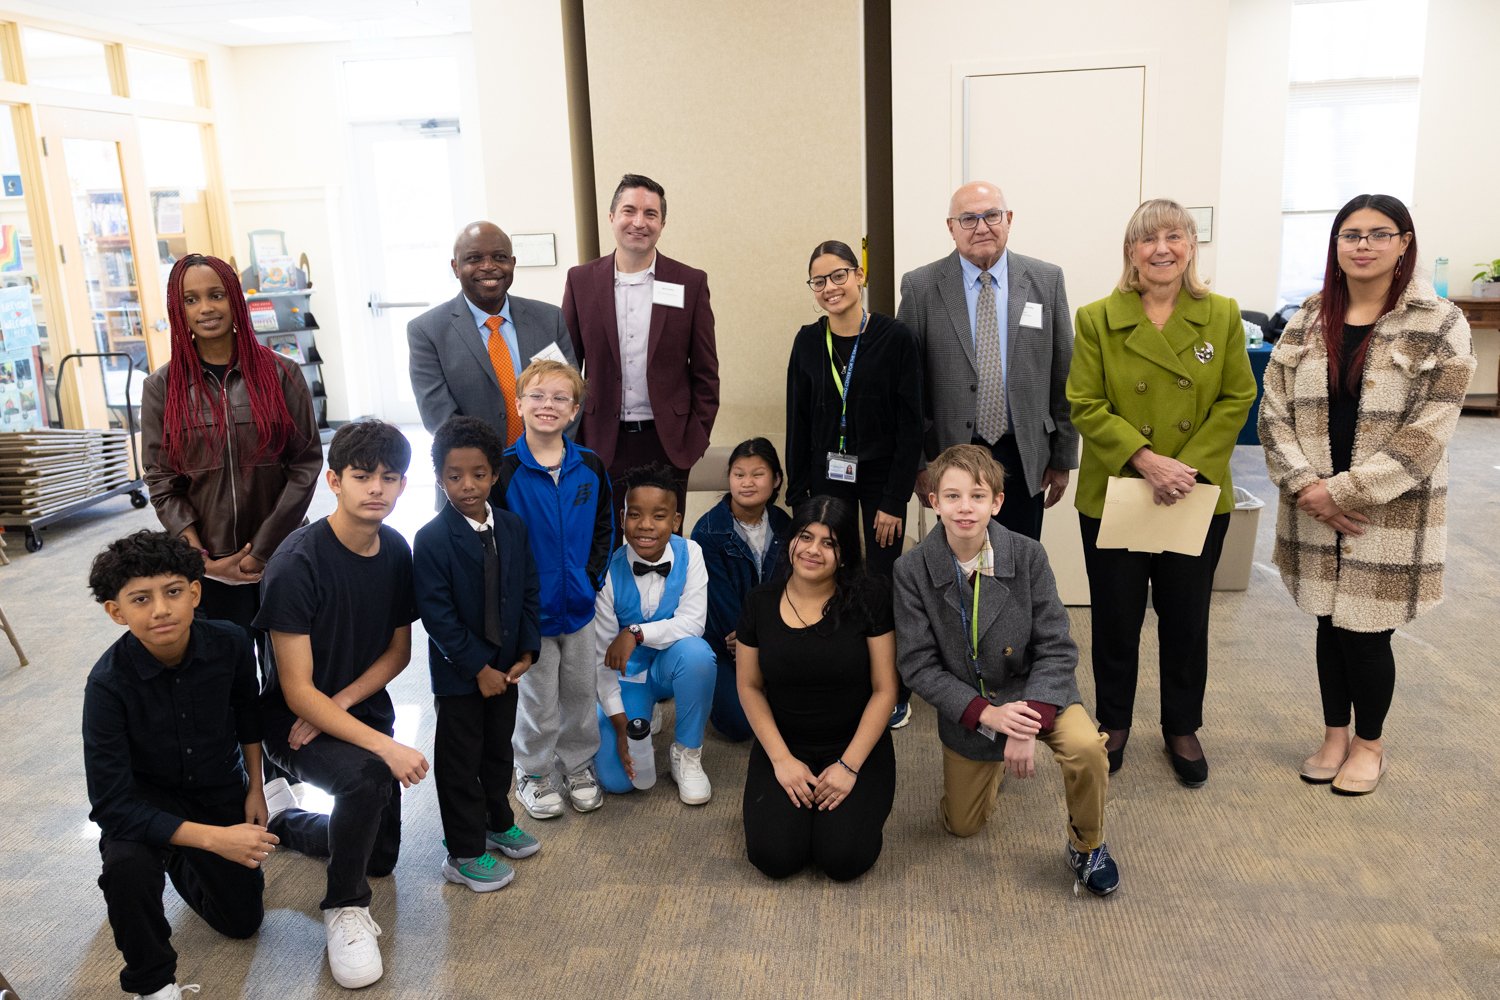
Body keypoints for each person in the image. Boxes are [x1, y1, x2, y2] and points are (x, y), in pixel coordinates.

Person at [1259, 194, 1474, 796]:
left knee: (1367, 630)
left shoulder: (1440, 323)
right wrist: (1308, 486)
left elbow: (1431, 427)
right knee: (1328, 622)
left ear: (1404, 242)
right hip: (1312, 504)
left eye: (1379, 234)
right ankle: (1333, 735)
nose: (1363, 245)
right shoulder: (1306, 317)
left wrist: (1348, 491)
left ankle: (1369, 745)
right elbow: (1273, 410)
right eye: (1350, 234)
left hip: (1390, 510)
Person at [1066, 198, 1256, 788]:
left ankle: (1181, 726)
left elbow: (1236, 398)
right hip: (1120, 490)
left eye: (1175, 236)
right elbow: (1084, 403)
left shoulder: (1221, 314)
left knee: (1185, 617)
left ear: (1192, 247)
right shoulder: (1097, 317)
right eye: (1148, 239)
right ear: (1131, 251)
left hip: (1193, 495)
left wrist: (1186, 468)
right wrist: (1147, 460)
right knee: (1116, 618)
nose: (1162, 249)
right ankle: (1115, 721)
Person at [892, 445, 1119, 896]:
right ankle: (988, 765)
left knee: (1087, 748)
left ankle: (1087, 843)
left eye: (977, 496)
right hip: (973, 704)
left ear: (997, 502)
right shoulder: (911, 569)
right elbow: (917, 665)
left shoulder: (1029, 555)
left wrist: (1025, 723)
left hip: (1036, 689)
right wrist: (989, 716)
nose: (965, 508)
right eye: (952, 496)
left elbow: (1057, 647)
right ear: (933, 501)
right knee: (962, 825)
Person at [252, 420, 427, 990]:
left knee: (381, 856)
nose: (375, 488)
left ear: (403, 485)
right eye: (361, 476)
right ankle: (344, 908)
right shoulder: (295, 563)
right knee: (367, 780)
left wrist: (348, 704)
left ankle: (283, 820)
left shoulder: (397, 549)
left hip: (346, 707)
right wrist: (386, 745)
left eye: (389, 478)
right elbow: (296, 692)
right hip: (290, 721)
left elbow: (399, 651)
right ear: (333, 480)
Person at [84, 530, 278, 1000]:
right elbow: (111, 805)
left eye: (173, 592)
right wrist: (215, 839)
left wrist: (255, 787)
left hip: (216, 785)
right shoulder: (106, 685)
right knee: (127, 866)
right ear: (116, 612)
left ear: (195, 592)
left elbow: (247, 712)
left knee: (242, 922)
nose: (161, 610)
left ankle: (174, 849)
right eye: (140, 599)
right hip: (143, 800)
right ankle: (153, 985)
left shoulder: (231, 642)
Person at [141, 253, 322, 646]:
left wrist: (261, 551)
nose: (206, 308)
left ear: (235, 299)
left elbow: (305, 464)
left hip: (282, 556)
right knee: (228, 677)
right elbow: (161, 479)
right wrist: (201, 561)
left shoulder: (283, 374)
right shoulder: (161, 388)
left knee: (291, 675)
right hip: (208, 569)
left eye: (216, 295)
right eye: (191, 299)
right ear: (178, 308)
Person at [897, 181, 1078, 543]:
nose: (981, 227)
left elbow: (1064, 375)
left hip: (1024, 451)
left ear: (1009, 219)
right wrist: (917, 463)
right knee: (959, 560)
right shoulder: (921, 287)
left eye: (991, 215)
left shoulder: (1046, 280)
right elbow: (906, 388)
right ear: (951, 228)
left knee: (1020, 556)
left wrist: (1062, 456)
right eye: (968, 219)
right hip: (950, 453)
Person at [737, 497, 898, 881]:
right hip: (786, 744)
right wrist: (780, 760)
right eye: (805, 537)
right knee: (775, 858)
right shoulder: (759, 602)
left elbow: (885, 690)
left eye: (829, 543)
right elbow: (749, 686)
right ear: (790, 540)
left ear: (844, 554)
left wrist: (848, 766)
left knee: (843, 860)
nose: (813, 550)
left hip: (853, 744)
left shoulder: (870, 597)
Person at [414, 416, 542, 892]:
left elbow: (529, 590)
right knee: (460, 761)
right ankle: (463, 851)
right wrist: (477, 668)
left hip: (506, 669)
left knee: (497, 750)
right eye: (454, 476)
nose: (468, 486)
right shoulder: (430, 539)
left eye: (479, 474)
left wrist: (527, 649)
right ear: (440, 478)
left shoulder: (512, 528)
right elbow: (437, 616)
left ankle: (497, 821)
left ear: (494, 475)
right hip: (460, 676)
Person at [493, 360, 614, 818]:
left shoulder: (590, 466)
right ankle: (535, 770)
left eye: (560, 398)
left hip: (579, 607)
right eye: (538, 396)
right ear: (519, 404)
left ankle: (579, 765)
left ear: (575, 410)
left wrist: (590, 578)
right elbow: (497, 543)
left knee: (582, 693)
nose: (548, 405)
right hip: (531, 615)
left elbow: (605, 527)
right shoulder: (504, 471)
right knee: (538, 699)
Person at [563, 174, 719, 519]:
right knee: (601, 539)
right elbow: (566, 368)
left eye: (650, 214)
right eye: (629, 211)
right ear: (611, 217)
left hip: (667, 441)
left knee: (661, 540)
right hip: (600, 439)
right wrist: (570, 436)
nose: (639, 222)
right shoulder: (581, 280)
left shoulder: (689, 282)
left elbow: (706, 372)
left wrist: (694, 438)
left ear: (662, 223)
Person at [785, 239, 923, 580]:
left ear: (859, 275)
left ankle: (883, 634)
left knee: (882, 571)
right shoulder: (807, 341)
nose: (829, 288)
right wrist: (799, 494)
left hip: (882, 475)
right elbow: (797, 421)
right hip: (827, 473)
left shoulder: (896, 338)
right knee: (831, 568)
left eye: (838, 276)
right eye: (819, 282)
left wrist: (895, 498)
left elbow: (911, 424)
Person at [592, 464, 718, 803]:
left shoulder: (690, 553)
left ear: (675, 521)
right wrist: (620, 724)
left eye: (659, 516)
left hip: (670, 665)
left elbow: (693, 623)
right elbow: (602, 661)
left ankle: (687, 754)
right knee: (618, 781)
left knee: (698, 654)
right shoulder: (606, 571)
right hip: (626, 677)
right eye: (635, 514)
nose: (646, 525)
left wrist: (634, 632)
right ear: (622, 517)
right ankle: (640, 712)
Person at [407, 221, 577, 445]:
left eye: (499, 257)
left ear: (513, 263)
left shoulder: (549, 319)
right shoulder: (427, 331)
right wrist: (487, 468)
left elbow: (571, 394)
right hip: (475, 470)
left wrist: (547, 453)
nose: (488, 266)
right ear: (455, 267)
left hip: (547, 463)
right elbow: (439, 416)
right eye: (474, 258)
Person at [690, 438, 792, 742]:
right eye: (739, 474)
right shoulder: (707, 531)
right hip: (726, 643)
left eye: (757, 474)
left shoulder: (785, 525)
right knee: (740, 725)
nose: (747, 483)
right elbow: (719, 604)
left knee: (801, 712)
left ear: (775, 480)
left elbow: (791, 590)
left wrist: (770, 639)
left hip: (775, 639)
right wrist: (751, 640)